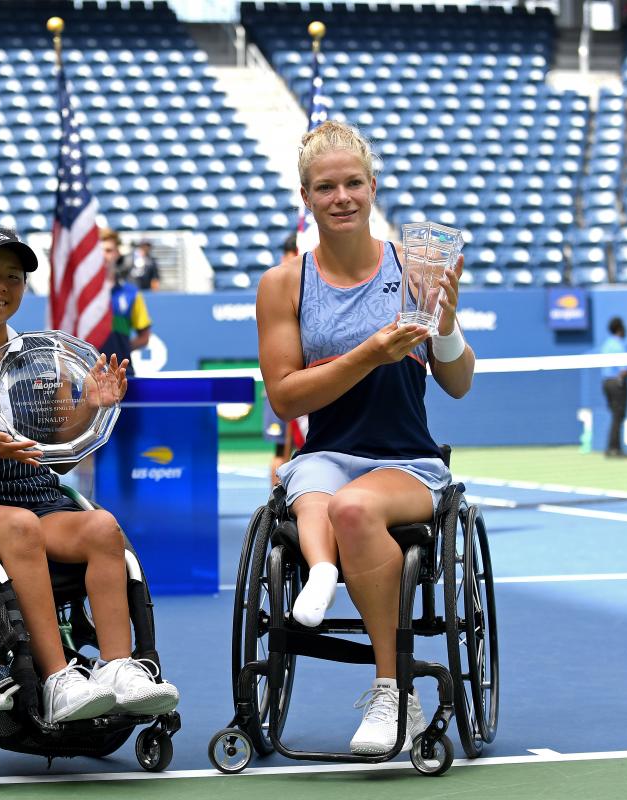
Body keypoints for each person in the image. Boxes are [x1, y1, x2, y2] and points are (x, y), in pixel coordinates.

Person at [0, 224, 179, 724]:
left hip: (38, 502)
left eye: (14, 277)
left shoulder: (41, 362)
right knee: (19, 529)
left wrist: (91, 407)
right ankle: (59, 680)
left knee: (103, 528)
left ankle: (118, 669)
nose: (1, 285)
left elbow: (57, 457)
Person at [256, 120, 475, 756]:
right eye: (326, 187)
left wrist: (448, 321)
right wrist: (370, 353)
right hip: (324, 454)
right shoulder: (283, 284)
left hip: (407, 461)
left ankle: (394, 693)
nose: (342, 197)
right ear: (306, 197)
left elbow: (458, 383)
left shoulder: (417, 266)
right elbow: (285, 396)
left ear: (373, 187)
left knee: (351, 507)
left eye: (354, 183)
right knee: (315, 489)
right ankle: (323, 571)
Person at [264, 232, 302, 485]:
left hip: (308, 381)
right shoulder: (278, 286)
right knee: (280, 453)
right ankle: (276, 506)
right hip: (283, 380)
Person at [100, 228, 152, 375]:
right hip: (87, 379)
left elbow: (144, 337)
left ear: (117, 253)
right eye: (99, 250)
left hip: (122, 376)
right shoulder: (80, 294)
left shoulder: (131, 293)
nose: (104, 255)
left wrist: (120, 348)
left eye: (109, 250)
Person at [600, 316, 627, 458]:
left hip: (606, 383)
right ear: (620, 329)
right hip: (617, 383)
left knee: (615, 416)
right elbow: (624, 369)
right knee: (618, 416)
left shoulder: (606, 345)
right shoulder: (618, 345)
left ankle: (611, 447)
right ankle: (614, 449)